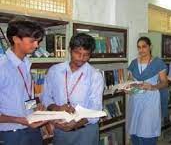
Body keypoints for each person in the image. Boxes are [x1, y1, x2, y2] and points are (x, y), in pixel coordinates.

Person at [41, 33, 104, 145]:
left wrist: (76, 124)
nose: (81, 58)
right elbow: (45, 97)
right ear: (70, 50)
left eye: (86, 55)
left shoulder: (95, 75)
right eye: (77, 53)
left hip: (86, 132)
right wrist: (57, 107)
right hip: (61, 130)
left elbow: (96, 108)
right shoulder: (55, 71)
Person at [0, 17, 46, 145]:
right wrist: (18, 120)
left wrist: (34, 109)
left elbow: (24, 97)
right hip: (11, 133)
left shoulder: (25, 64)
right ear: (15, 39)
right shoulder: (2, 67)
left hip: (31, 128)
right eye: (32, 41)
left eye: (37, 41)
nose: (36, 45)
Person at [127, 36, 168, 145]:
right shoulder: (134, 63)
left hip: (150, 100)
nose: (141, 50)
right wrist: (127, 88)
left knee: (147, 129)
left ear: (150, 47)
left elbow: (165, 82)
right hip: (135, 99)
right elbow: (130, 81)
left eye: (144, 47)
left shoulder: (158, 63)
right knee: (135, 130)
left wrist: (152, 87)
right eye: (139, 47)